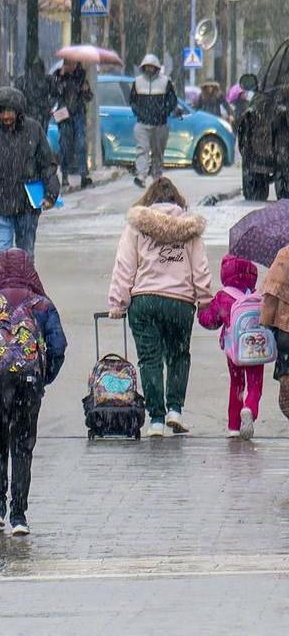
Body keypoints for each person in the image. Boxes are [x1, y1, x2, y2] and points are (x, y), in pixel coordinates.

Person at [0, 249, 66, 536]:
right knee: (22, 443)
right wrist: (44, 378)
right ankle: (19, 514)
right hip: (29, 380)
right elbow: (58, 347)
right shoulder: (42, 305)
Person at [108, 178, 212, 437]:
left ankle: (156, 419)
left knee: (149, 359)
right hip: (180, 303)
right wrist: (206, 299)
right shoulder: (189, 229)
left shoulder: (137, 227)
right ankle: (175, 410)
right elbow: (200, 268)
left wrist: (118, 303)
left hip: (144, 301)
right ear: (177, 201)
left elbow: (124, 267)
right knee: (178, 356)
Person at [0, 86, 59, 262]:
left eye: (10, 111)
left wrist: (51, 194)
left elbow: (47, 165)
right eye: (2, 111)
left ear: (18, 111)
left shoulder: (34, 130)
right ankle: (1, 289)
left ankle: (25, 289)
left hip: (27, 206)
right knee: (2, 254)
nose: (6, 116)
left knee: (25, 256)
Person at [197, 254, 265, 439]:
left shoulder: (223, 297)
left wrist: (201, 310)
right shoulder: (257, 295)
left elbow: (210, 322)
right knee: (255, 386)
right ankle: (249, 409)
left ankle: (234, 428)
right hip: (255, 349)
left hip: (233, 351)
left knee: (237, 385)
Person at [129, 54, 180, 189]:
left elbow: (172, 101)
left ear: (157, 67)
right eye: (147, 66)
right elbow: (132, 101)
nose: (150, 69)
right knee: (142, 149)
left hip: (160, 124)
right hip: (142, 123)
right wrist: (139, 112)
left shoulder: (165, 82)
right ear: (143, 67)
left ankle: (157, 177)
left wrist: (164, 111)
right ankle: (141, 176)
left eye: (152, 66)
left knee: (158, 152)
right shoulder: (137, 82)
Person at [52, 60, 94, 189]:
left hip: (78, 113)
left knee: (81, 144)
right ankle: (64, 175)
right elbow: (54, 93)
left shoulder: (81, 76)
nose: (69, 66)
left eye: (72, 64)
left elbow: (89, 97)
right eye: (67, 64)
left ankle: (83, 175)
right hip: (64, 115)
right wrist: (60, 78)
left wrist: (85, 91)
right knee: (65, 144)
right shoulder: (58, 76)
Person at [260, 245, 289, 419]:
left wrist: (266, 322)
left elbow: (271, 292)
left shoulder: (285, 254)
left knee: (286, 372)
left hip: (286, 327)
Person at [14, 57, 55, 136]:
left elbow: (55, 93)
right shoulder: (23, 82)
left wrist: (50, 107)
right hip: (32, 115)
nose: (37, 71)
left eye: (39, 68)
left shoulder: (47, 80)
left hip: (40, 115)